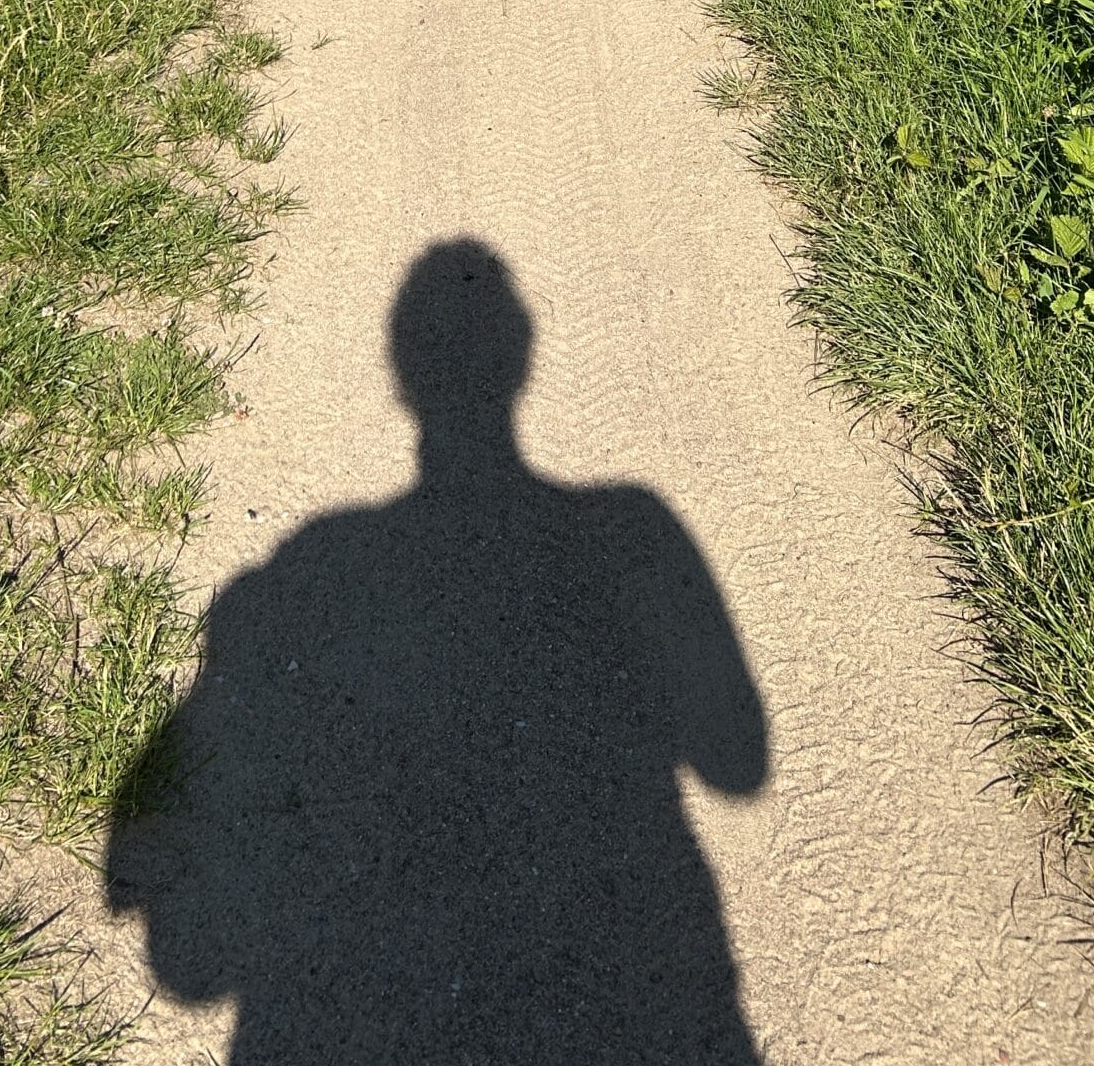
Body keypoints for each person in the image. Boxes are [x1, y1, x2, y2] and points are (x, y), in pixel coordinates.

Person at [107, 237, 769, 1061]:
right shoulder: (633, 526)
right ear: (525, 355)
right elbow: (737, 763)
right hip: (648, 979)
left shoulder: (320, 558)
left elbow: (190, 966)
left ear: (398, 374)